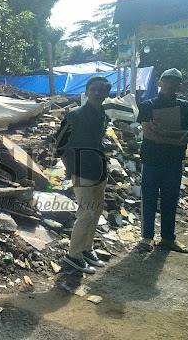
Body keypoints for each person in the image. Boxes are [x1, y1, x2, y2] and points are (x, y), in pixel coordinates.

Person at [55, 75, 111, 274]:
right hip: (82, 171)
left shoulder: (104, 115)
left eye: (101, 90)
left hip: (99, 170)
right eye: (93, 89)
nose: (97, 93)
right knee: (85, 213)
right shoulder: (75, 115)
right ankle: (73, 255)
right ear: (86, 92)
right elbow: (59, 145)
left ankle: (87, 249)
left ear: (106, 94)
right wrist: (71, 169)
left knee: (95, 213)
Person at [137, 68, 188, 253]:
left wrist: (163, 133)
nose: (170, 84)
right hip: (152, 160)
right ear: (160, 82)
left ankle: (168, 238)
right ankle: (147, 238)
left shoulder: (185, 107)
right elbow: (148, 133)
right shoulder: (148, 105)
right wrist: (177, 139)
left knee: (171, 200)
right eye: (167, 81)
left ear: (180, 86)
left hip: (174, 162)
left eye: (175, 82)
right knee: (149, 200)